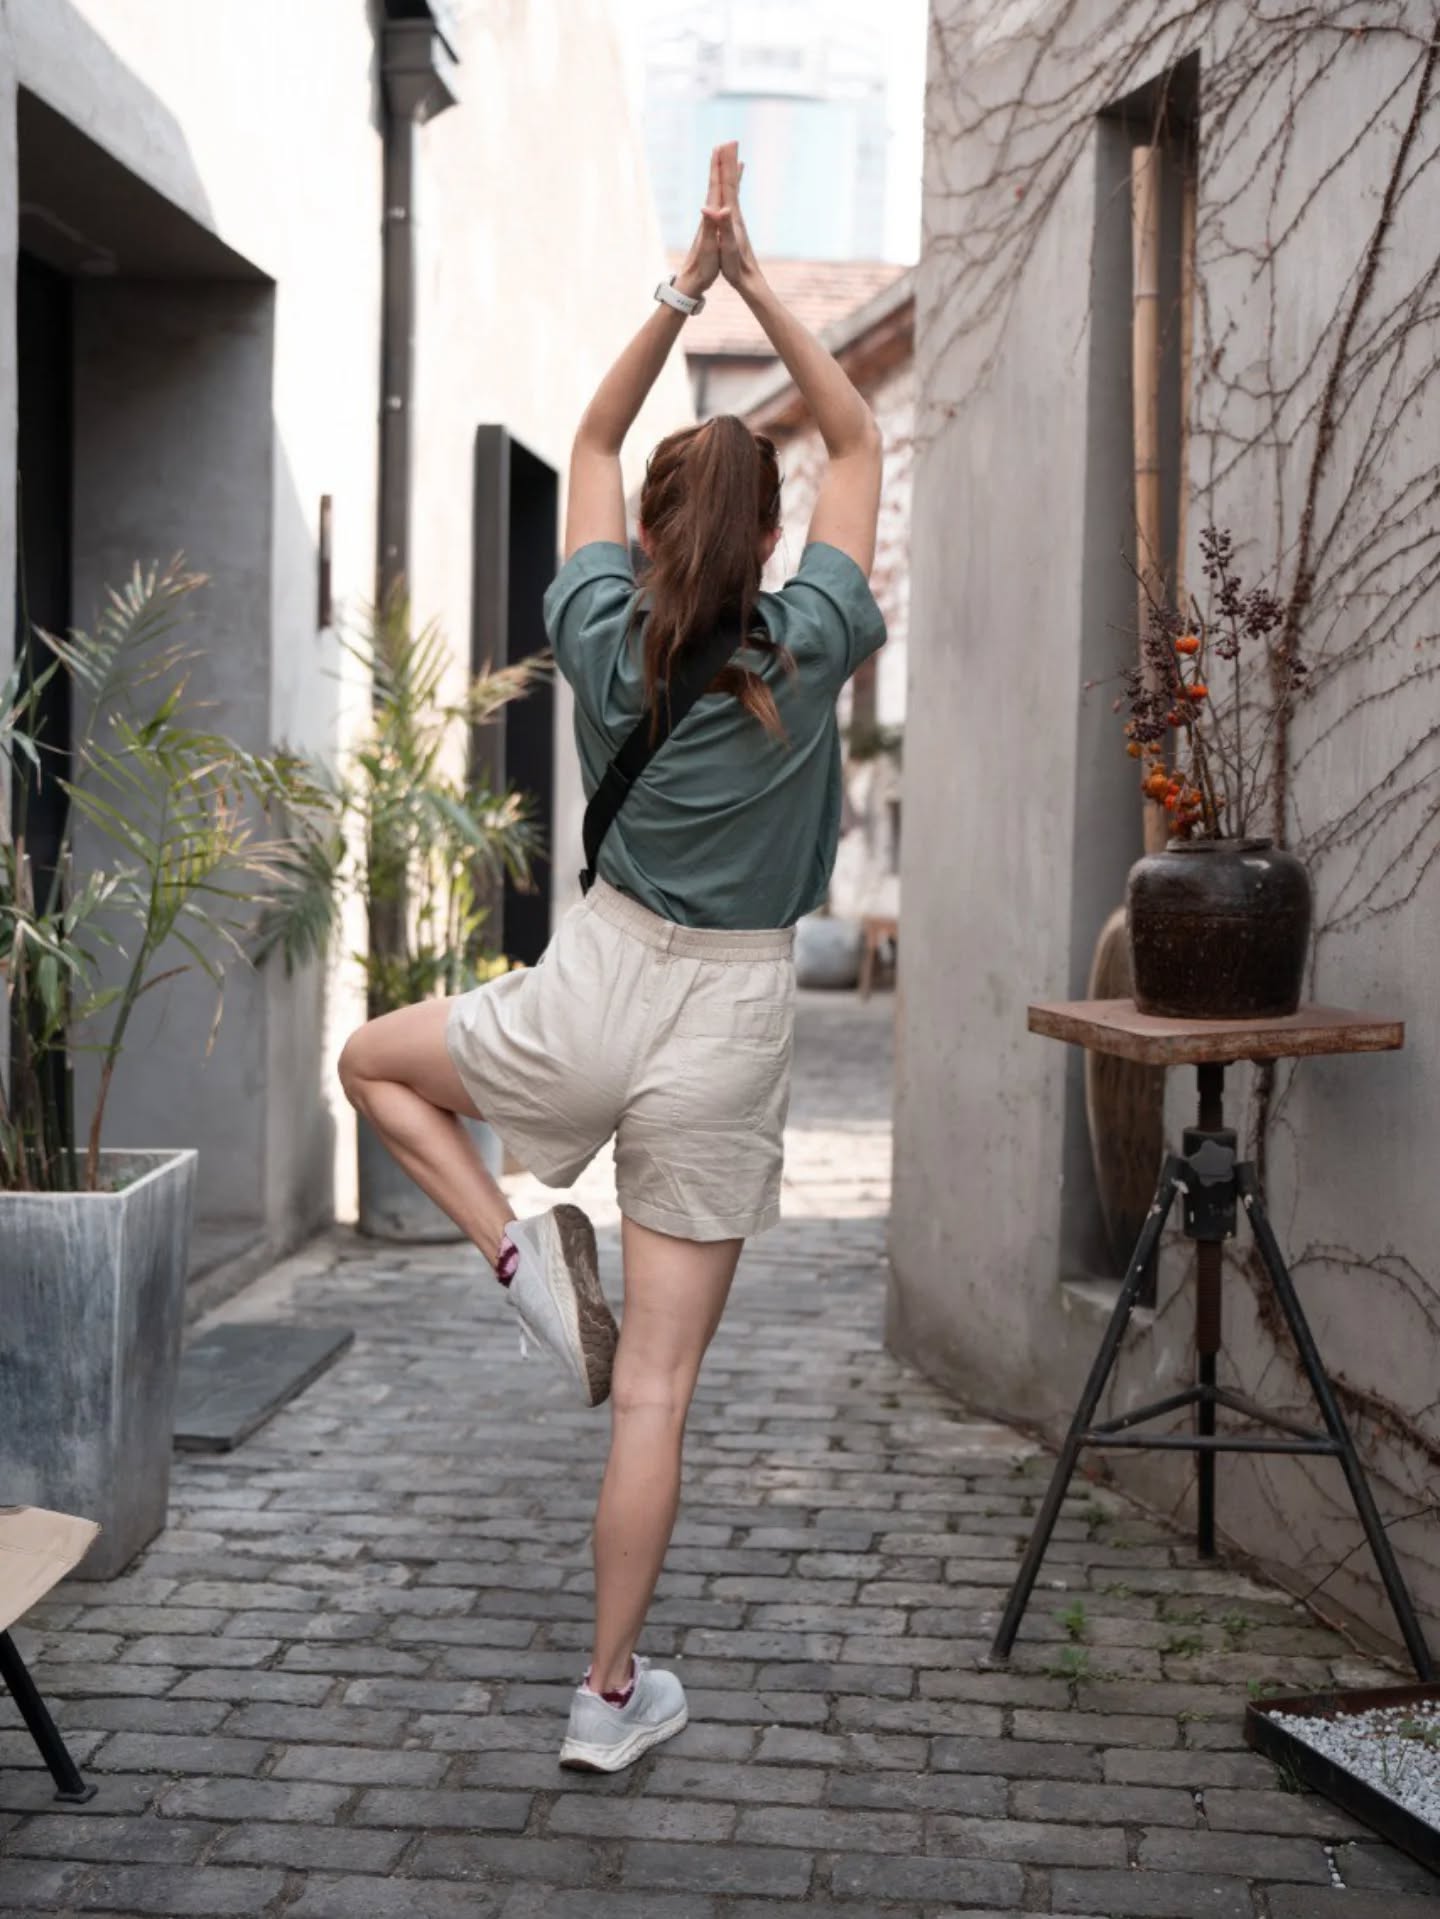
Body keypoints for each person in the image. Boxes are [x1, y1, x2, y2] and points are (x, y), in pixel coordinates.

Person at [338, 141, 885, 1773]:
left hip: (593, 983)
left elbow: (582, 433)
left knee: (374, 1063)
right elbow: (855, 427)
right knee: (651, 1389)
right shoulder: (817, 638)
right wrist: (764, 281)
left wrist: (682, 284)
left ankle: (516, 1263)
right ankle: (603, 1699)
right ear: (773, 535)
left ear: (651, 530)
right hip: (727, 1018)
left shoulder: (600, 628)